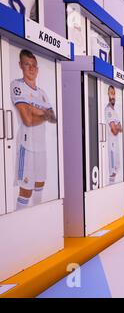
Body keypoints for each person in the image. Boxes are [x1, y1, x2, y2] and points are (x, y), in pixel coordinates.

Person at [11, 49, 57, 210]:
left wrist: (35, 110)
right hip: (27, 146)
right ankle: (19, 225)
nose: (31, 69)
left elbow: (53, 118)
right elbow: (28, 120)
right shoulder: (18, 86)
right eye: (27, 65)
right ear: (20, 66)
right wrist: (43, 113)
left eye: (33, 66)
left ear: (37, 69)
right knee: (26, 191)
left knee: (40, 185)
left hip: (41, 147)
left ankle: (37, 221)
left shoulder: (42, 93)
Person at [105, 85, 122, 184]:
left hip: (116, 146)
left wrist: (117, 127)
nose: (113, 96)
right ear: (108, 94)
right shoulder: (108, 110)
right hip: (111, 146)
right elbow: (115, 130)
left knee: (116, 172)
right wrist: (116, 126)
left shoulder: (115, 110)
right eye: (111, 93)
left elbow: (121, 128)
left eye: (114, 93)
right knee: (112, 175)